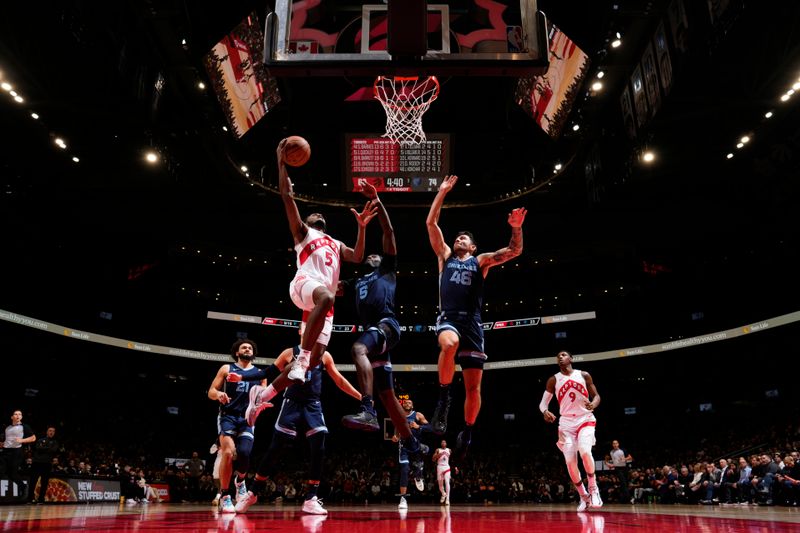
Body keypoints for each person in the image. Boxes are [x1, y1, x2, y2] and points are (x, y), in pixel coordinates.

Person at [244, 139, 377, 416]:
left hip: (322, 305)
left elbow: (357, 256)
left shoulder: (336, 242)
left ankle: (260, 397)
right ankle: (302, 358)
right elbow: (287, 196)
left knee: (312, 363)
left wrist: (362, 227)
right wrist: (281, 162)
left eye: (320, 214)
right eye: (313, 212)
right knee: (309, 345)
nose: (317, 213)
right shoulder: (303, 233)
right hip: (305, 286)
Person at [426, 174, 526, 459]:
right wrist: (442, 192)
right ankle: (444, 399)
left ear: (471, 247)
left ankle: (468, 430)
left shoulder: (480, 261)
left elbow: (514, 250)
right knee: (448, 345)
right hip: (449, 318)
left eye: (465, 238)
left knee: (473, 388)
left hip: (473, 324)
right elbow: (431, 224)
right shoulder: (444, 256)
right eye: (458, 236)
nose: (459, 238)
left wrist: (516, 228)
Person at [338, 183, 426, 451]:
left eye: (377, 253)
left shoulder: (388, 269)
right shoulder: (354, 281)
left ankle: (367, 410)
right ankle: (412, 444)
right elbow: (330, 286)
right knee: (388, 394)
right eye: (371, 253)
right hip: (375, 334)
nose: (374, 253)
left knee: (357, 348)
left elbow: (388, 231)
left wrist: (377, 200)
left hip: (387, 326)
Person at [229, 338, 361, 515]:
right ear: (301, 331)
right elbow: (269, 371)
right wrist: (243, 377)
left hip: (312, 404)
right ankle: (252, 493)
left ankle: (311, 498)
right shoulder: (289, 352)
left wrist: (361, 397)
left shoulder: (324, 355)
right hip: (291, 403)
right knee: (276, 448)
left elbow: (338, 379)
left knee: (319, 447)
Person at [207, 339, 266, 513]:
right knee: (227, 452)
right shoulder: (227, 368)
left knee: (245, 453)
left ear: (253, 353)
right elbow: (211, 391)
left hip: (247, 418)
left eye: (250, 347)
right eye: (244, 347)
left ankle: (240, 481)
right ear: (237, 352)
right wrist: (219, 394)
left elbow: (263, 395)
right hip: (228, 416)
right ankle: (225, 496)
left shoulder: (260, 373)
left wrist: (262, 402)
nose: (247, 348)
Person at [539, 350, 603, 511]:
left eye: (563, 354)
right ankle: (583, 496)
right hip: (566, 423)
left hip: (585, 419)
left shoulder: (584, 375)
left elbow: (596, 396)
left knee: (585, 451)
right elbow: (543, 404)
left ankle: (593, 488)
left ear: (571, 359)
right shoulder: (553, 380)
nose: (560, 357)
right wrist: (545, 411)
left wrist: (593, 404)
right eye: (558, 356)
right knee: (569, 461)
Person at [392, 397, 429, 510]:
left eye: (409, 402)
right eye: (406, 403)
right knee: (404, 469)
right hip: (404, 446)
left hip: (416, 445)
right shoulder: (399, 416)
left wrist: (419, 426)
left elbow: (430, 427)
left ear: (412, 406)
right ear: (403, 405)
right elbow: (397, 430)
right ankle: (403, 499)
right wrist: (396, 437)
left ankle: (418, 476)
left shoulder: (418, 415)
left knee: (424, 455)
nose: (407, 403)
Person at [1, 410, 36, 500]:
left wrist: (22, 440)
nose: (18, 415)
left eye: (20, 414)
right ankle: (22, 486)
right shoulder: (7, 427)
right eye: (16, 414)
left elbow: (33, 438)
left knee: (13, 474)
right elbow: (6, 440)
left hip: (16, 452)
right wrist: (2, 444)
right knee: (2, 471)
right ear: (12, 417)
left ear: (21, 417)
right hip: (5, 451)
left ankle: (23, 486)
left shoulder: (24, 426)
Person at [28, 425, 59, 504]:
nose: (51, 432)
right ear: (47, 432)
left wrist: (44, 447)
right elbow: (38, 448)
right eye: (50, 430)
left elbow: (53, 450)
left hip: (47, 464)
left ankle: (41, 499)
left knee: (44, 483)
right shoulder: (40, 440)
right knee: (33, 481)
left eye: (53, 431)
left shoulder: (55, 442)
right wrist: (48, 448)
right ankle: (29, 499)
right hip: (37, 463)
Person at [432, 439, 453, 505]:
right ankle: (443, 494)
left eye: (444, 442)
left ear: (446, 444)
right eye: (442, 442)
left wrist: (455, 467)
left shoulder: (449, 450)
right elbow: (433, 459)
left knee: (447, 482)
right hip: (440, 467)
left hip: (446, 467)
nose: (443, 443)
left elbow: (453, 460)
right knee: (440, 486)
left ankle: (448, 499)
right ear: (441, 444)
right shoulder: (438, 450)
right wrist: (438, 455)